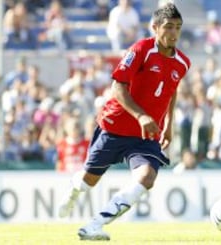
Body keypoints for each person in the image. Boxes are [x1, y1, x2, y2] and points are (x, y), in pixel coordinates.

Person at [58, 3, 190, 241]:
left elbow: (171, 91)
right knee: (88, 182)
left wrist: (168, 125)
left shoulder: (183, 62)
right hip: (116, 127)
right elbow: (118, 86)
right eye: (168, 27)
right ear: (155, 27)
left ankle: (94, 226)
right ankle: (75, 190)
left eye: (178, 28)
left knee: (147, 178)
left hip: (146, 135)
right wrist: (141, 115)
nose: (173, 33)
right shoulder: (141, 49)